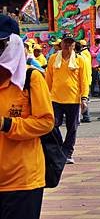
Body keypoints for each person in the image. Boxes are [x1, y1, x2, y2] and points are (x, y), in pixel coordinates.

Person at [0, 14, 54, 219]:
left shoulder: (31, 79)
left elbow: (46, 122)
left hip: (22, 181)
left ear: (13, 45)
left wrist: (7, 124)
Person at [45, 33, 88, 164]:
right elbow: (48, 79)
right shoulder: (53, 58)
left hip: (73, 99)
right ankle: (59, 148)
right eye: (66, 43)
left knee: (72, 127)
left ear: (74, 45)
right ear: (61, 44)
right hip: (55, 98)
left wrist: (84, 98)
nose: (68, 46)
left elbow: (84, 80)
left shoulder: (80, 60)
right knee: (52, 125)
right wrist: (45, 96)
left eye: (71, 43)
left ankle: (67, 152)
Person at [77, 40, 93, 123]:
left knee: (83, 98)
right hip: (86, 78)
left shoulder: (83, 55)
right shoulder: (86, 54)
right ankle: (85, 116)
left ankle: (86, 116)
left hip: (84, 79)